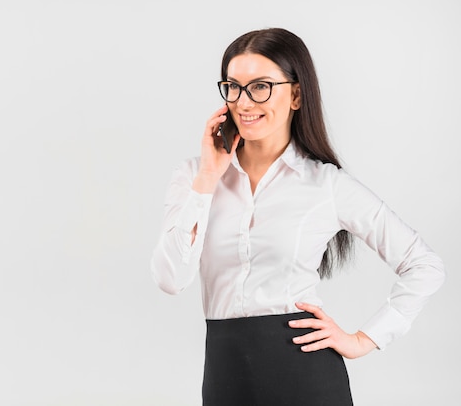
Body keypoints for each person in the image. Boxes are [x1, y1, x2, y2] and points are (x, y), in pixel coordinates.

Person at [150, 27, 445, 406]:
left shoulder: (326, 185)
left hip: (307, 378)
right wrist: (208, 177)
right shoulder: (194, 177)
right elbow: (171, 279)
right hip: (225, 376)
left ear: (296, 94)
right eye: (233, 86)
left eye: (260, 86)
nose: (243, 101)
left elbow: (424, 265)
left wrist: (363, 340)